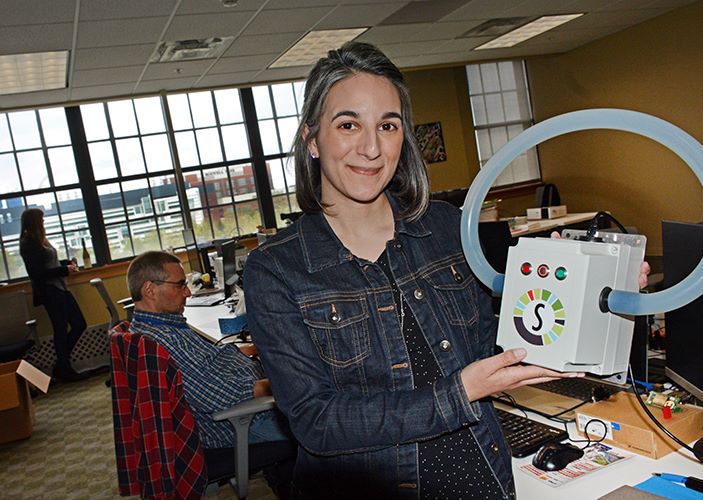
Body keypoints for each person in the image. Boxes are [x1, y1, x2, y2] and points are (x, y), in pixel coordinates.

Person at [244, 42, 624, 499]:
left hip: (482, 480)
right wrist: (458, 393)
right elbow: (317, 421)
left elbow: (497, 344)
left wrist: (582, 293)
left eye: (388, 125)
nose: (370, 147)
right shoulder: (277, 268)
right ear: (311, 139)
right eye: (348, 125)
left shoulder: (445, 227)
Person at [125, 250, 292, 451]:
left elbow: (207, 361)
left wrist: (249, 350)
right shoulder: (161, 341)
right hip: (242, 423)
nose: (187, 292)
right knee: (324, 418)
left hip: (246, 410)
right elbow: (218, 396)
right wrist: (284, 383)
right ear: (150, 290)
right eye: (180, 285)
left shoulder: (162, 326)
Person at [20, 208, 87, 381]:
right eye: (41, 220)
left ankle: (61, 365)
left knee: (79, 323)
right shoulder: (29, 243)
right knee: (61, 329)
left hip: (60, 288)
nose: (43, 222)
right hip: (51, 291)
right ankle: (64, 368)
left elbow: (50, 264)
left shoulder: (41, 240)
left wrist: (66, 264)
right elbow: (37, 273)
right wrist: (64, 269)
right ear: (35, 222)